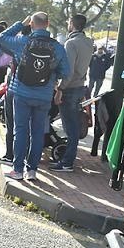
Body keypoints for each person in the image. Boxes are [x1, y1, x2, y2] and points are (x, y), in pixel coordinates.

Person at [0, 13, 69, 181]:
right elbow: (65, 72)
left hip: (21, 93)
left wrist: (20, 24)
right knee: (37, 133)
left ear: (31, 24)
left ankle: (18, 170)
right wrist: (54, 82)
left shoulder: (23, 42)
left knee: (20, 131)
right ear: (48, 24)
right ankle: (32, 171)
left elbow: (1, 38)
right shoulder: (57, 47)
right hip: (44, 96)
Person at [52, 14, 94, 172]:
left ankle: (67, 162)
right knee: (73, 126)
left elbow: (68, 71)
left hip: (69, 88)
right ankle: (68, 159)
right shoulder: (88, 42)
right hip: (80, 86)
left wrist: (60, 89)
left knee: (70, 128)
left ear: (72, 24)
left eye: (69, 21)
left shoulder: (71, 43)